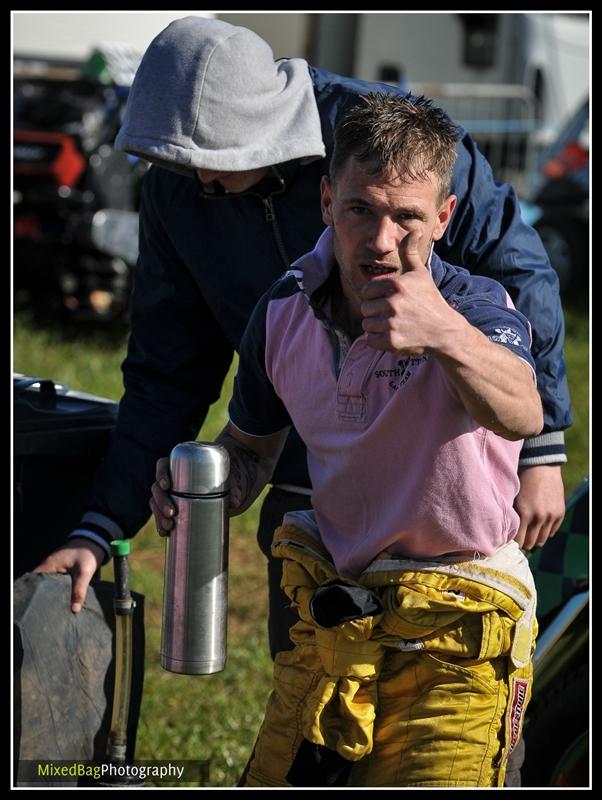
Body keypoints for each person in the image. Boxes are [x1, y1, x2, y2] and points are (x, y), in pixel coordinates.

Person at [34, 17, 569, 664]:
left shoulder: (380, 140)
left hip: (442, 479)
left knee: (437, 717)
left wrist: (541, 448)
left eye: (212, 166)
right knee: (313, 679)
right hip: (303, 468)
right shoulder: (183, 195)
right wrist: (103, 522)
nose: (202, 185)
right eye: (183, 167)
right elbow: (166, 367)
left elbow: (516, 269)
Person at [153, 92, 543, 786]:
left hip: (458, 624)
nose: (382, 240)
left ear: (444, 218)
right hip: (339, 616)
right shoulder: (283, 309)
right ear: (328, 199)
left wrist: (442, 333)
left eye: (408, 218)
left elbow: (522, 409)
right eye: (362, 209)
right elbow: (250, 448)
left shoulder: (478, 307)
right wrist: (207, 488)